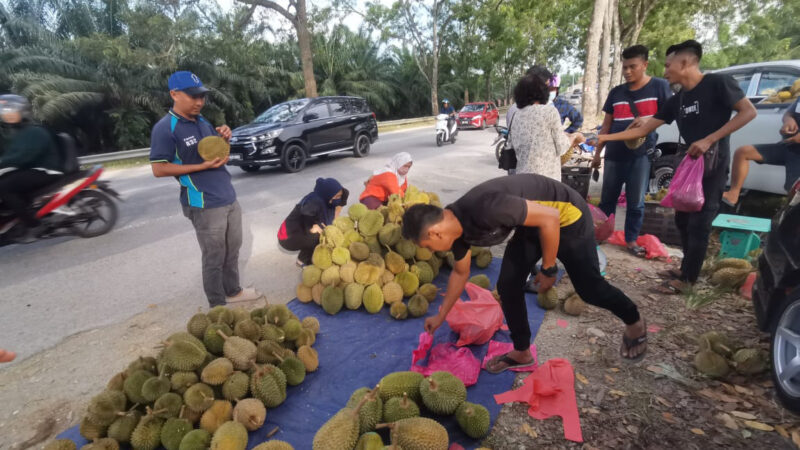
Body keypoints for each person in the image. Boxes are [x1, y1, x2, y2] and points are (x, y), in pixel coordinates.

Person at [402, 174, 648, 368]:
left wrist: (549, 269)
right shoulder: (456, 230)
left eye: (427, 246)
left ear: (435, 232)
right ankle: (521, 352)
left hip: (566, 216)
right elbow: (459, 273)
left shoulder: (486, 208)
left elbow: (550, 218)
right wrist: (441, 315)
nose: (432, 251)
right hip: (533, 223)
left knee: (590, 288)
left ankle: (634, 321)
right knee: (508, 286)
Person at [598, 40, 756, 293]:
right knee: (683, 218)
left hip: (712, 164)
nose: (665, 71)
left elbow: (748, 112)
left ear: (685, 63)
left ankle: (688, 281)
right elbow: (647, 128)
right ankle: (685, 269)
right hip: (688, 164)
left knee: (700, 222)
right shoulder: (679, 98)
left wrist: (710, 139)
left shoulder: (717, 84)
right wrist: (602, 138)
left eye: (668, 65)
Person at [150, 71, 262, 307]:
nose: (199, 102)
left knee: (233, 249)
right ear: (174, 94)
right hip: (203, 202)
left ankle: (233, 291)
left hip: (227, 195)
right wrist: (200, 166)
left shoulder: (202, 121)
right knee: (214, 256)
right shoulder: (165, 128)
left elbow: (219, 155)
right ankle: (217, 306)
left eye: (201, 97)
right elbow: (159, 169)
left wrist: (226, 138)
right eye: (192, 97)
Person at [592, 45, 672, 257]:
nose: (627, 71)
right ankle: (599, 236)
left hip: (641, 156)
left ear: (645, 65)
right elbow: (606, 126)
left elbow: (667, 116)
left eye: (632, 67)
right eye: (624, 67)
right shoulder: (616, 93)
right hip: (614, 154)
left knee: (636, 202)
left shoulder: (659, 87)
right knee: (607, 200)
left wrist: (648, 120)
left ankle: (630, 240)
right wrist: (597, 155)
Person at [0, 94, 64, 236]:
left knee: (4, 188)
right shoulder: (18, 132)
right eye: (5, 112)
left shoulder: (34, 131)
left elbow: (24, 156)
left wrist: (3, 163)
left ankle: (33, 224)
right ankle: (18, 216)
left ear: (22, 112)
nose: (7, 115)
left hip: (46, 171)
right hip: (33, 170)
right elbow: (13, 154)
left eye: (12, 111)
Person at [510, 66, 584, 180]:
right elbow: (562, 147)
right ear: (542, 91)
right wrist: (573, 137)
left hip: (522, 178)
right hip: (546, 180)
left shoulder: (516, 115)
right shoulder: (549, 111)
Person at [722, 97, 800, 206]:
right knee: (743, 152)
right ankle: (733, 194)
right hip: (787, 147)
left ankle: (792, 214)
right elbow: (789, 113)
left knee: (793, 189)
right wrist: (788, 120)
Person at [278, 178, 347, 266]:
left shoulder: (330, 196)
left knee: (324, 230)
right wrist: (314, 228)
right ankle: (302, 260)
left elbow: (344, 196)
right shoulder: (314, 202)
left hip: (298, 229)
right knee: (319, 236)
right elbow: (306, 215)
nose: (338, 198)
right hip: (288, 236)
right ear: (328, 194)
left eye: (339, 196)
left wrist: (336, 215)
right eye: (336, 196)